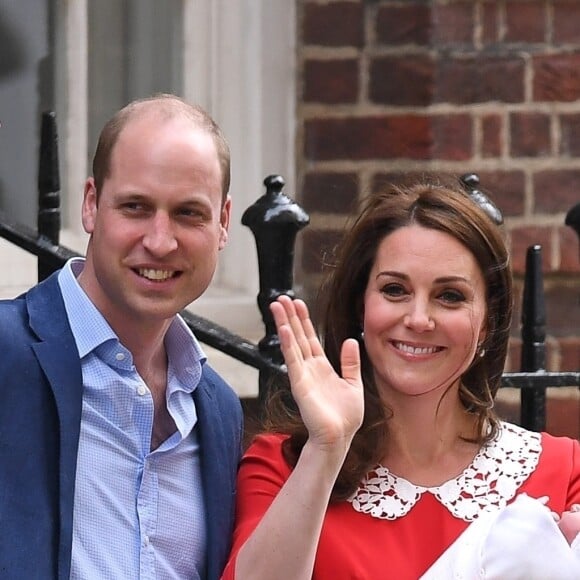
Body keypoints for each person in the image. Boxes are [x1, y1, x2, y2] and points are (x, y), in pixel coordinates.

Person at [221, 178, 580, 579]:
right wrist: (326, 449)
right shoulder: (282, 465)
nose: (418, 319)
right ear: (361, 306)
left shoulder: (563, 471)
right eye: (395, 290)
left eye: (450, 296)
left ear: (488, 324)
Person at [0, 94, 243, 579]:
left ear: (223, 222)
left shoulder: (217, 409)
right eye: (135, 207)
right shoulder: (6, 353)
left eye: (188, 213)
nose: (159, 240)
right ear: (91, 205)